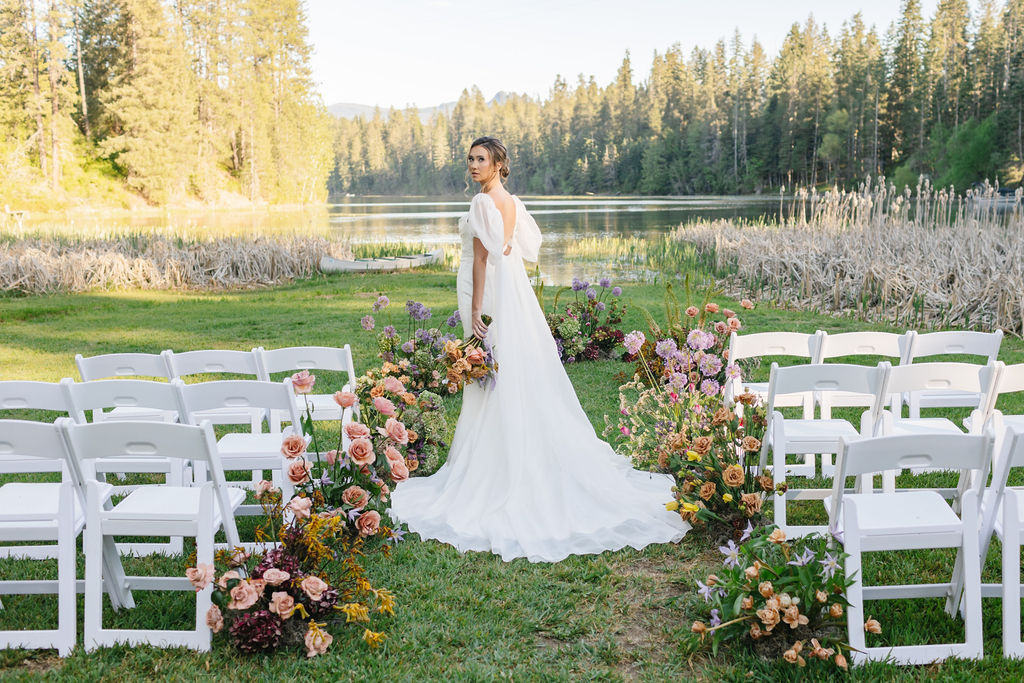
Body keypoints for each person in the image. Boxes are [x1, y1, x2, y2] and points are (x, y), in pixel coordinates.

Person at [390, 136, 688, 562]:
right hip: (511, 288)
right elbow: (512, 249)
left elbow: (480, 259)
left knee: (490, 367)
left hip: (487, 291)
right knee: (509, 370)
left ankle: (494, 467)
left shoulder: (482, 204)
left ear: (497, 164)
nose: (473, 165)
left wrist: (476, 311)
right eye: (470, 158)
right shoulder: (510, 201)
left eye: (481, 159)